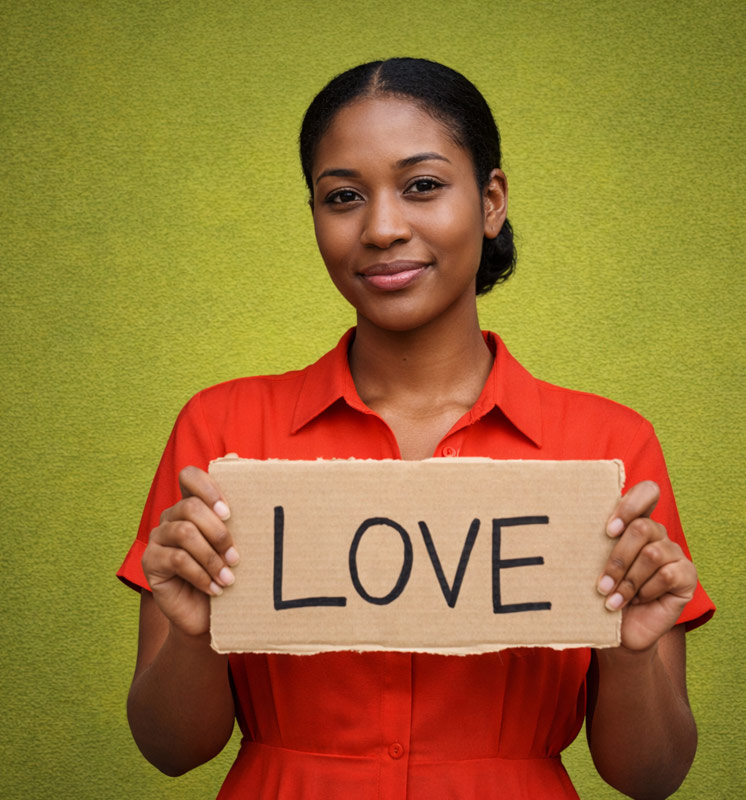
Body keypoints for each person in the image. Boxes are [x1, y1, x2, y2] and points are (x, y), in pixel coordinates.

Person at [119, 58, 714, 799]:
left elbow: (651, 778)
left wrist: (629, 654)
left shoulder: (611, 449)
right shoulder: (221, 431)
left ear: (491, 200)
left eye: (422, 185)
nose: (383, 227)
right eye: (343, 197)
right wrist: (195, 633)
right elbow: (171, 750)